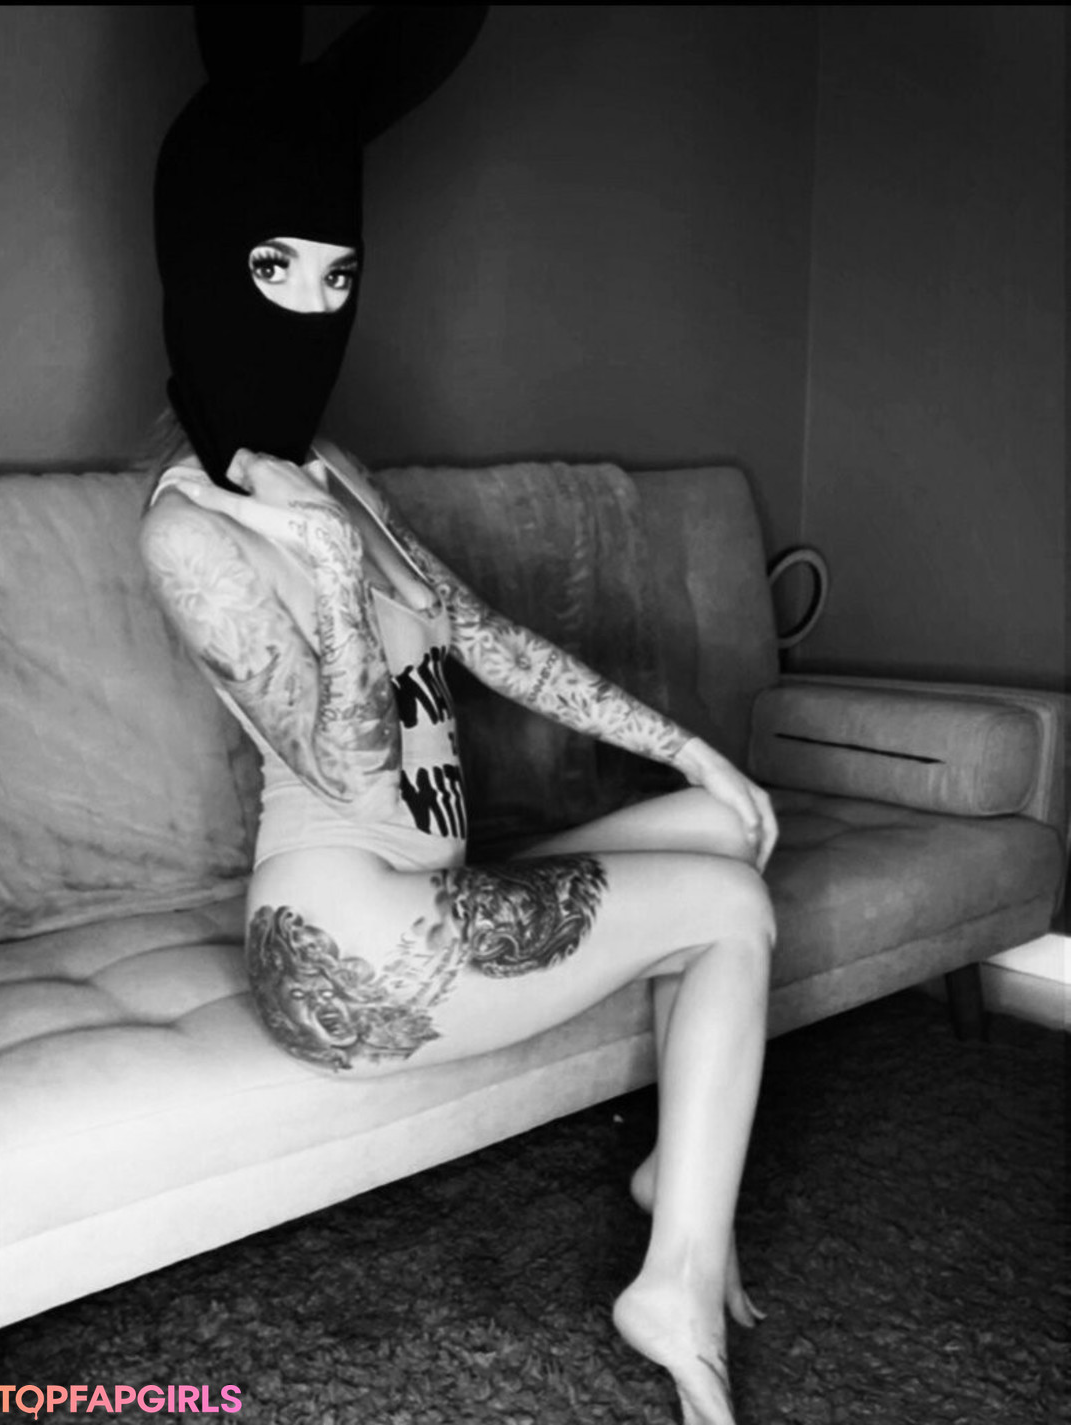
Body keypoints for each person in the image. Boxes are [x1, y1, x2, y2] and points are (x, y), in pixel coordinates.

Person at [140, 9, 778, 1424]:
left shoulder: (336, 469)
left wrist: (688, 746)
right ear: (201, 262)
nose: (312, 308)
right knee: (732, 913)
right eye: (272, 269)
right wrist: (320, 564)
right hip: (350, 946)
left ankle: (681, 1172)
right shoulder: (190, 533)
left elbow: (481, 635)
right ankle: (674, 1280)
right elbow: (344, 765)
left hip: (443, 887)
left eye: (338, 274)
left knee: (723, 831)